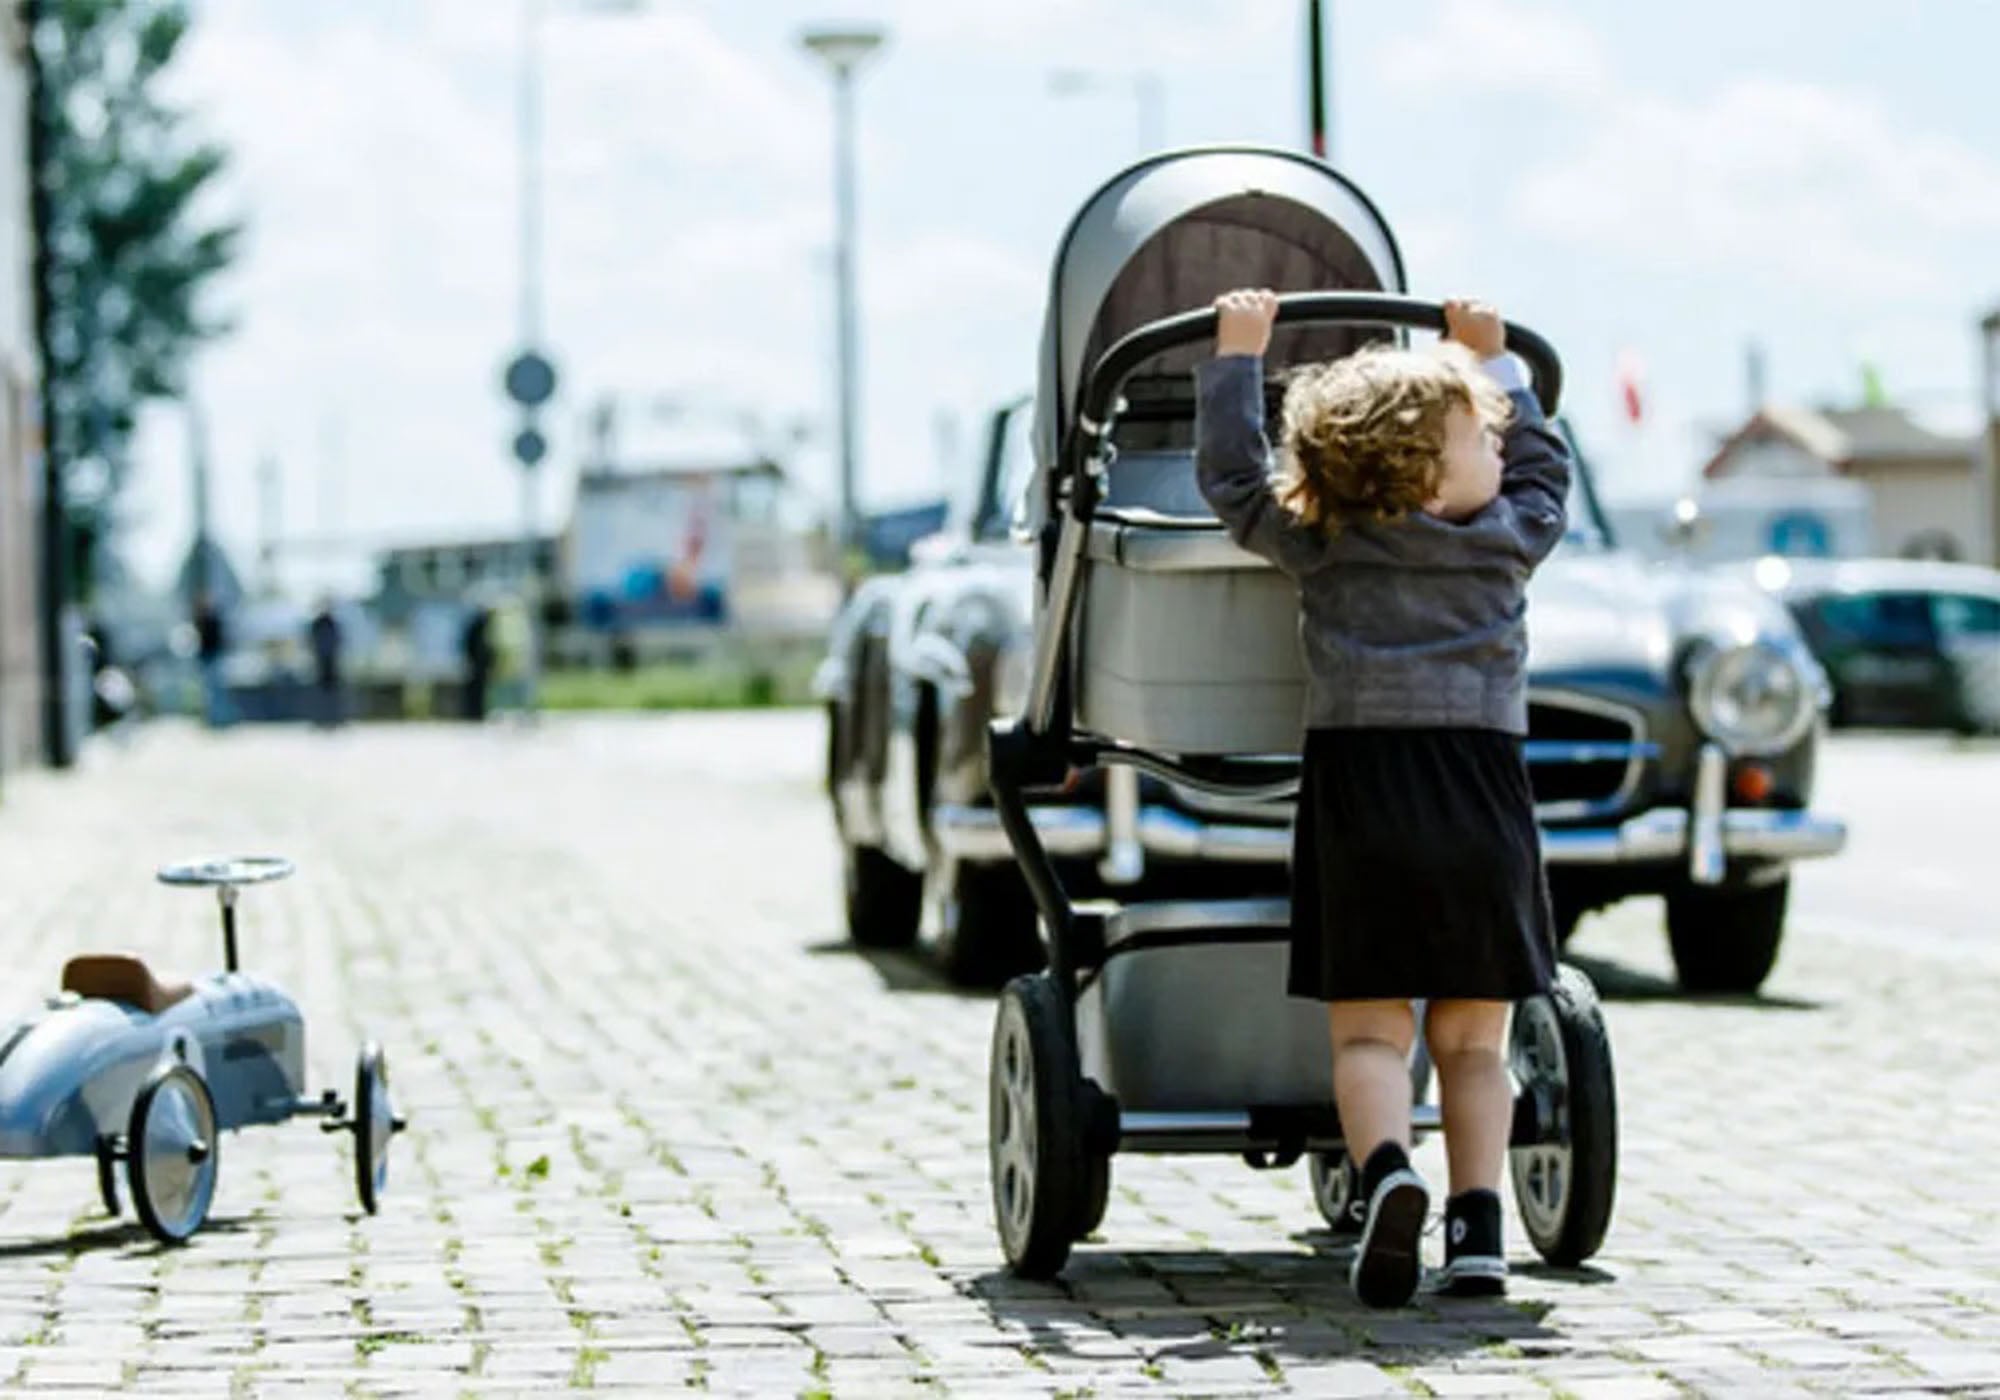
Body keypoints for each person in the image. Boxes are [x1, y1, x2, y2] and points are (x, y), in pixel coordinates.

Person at [1194, 290, 1572, 1307]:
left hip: (1362, 796)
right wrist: (1496, 365)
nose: (1498, 454)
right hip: (1478, 796)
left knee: (1369, 1035)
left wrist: (1238, 357)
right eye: (1479, 441)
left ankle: (1385, 1171)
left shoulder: (1327, 543)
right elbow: (1547, 472)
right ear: (1433, 470)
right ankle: (1479, 1223)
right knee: (1470, 1039)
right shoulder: (1502, 539)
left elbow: (1232, 482)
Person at [193, 592, 233, 729]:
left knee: (216, 690)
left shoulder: (214, 619)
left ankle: (219, 719)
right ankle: (212, 719)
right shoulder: (201, 619)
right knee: (209, 690)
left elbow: (219, 638)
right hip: (207, 657)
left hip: (214, 656)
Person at [307, 598, 345, 728]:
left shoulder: (332, 623)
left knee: (333, 694)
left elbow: (339, 640)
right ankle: (321, 719)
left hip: (331, 662)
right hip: (321, 663)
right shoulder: (317, 623)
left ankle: (335, 719)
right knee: (321, 694)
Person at [460, 598, 494, 722]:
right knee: (475, 690)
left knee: (480, 690)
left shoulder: (479, 627)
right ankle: (473, 713)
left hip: (479, 665)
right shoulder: (477, 627)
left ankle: (477, 713)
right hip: (476, 665)